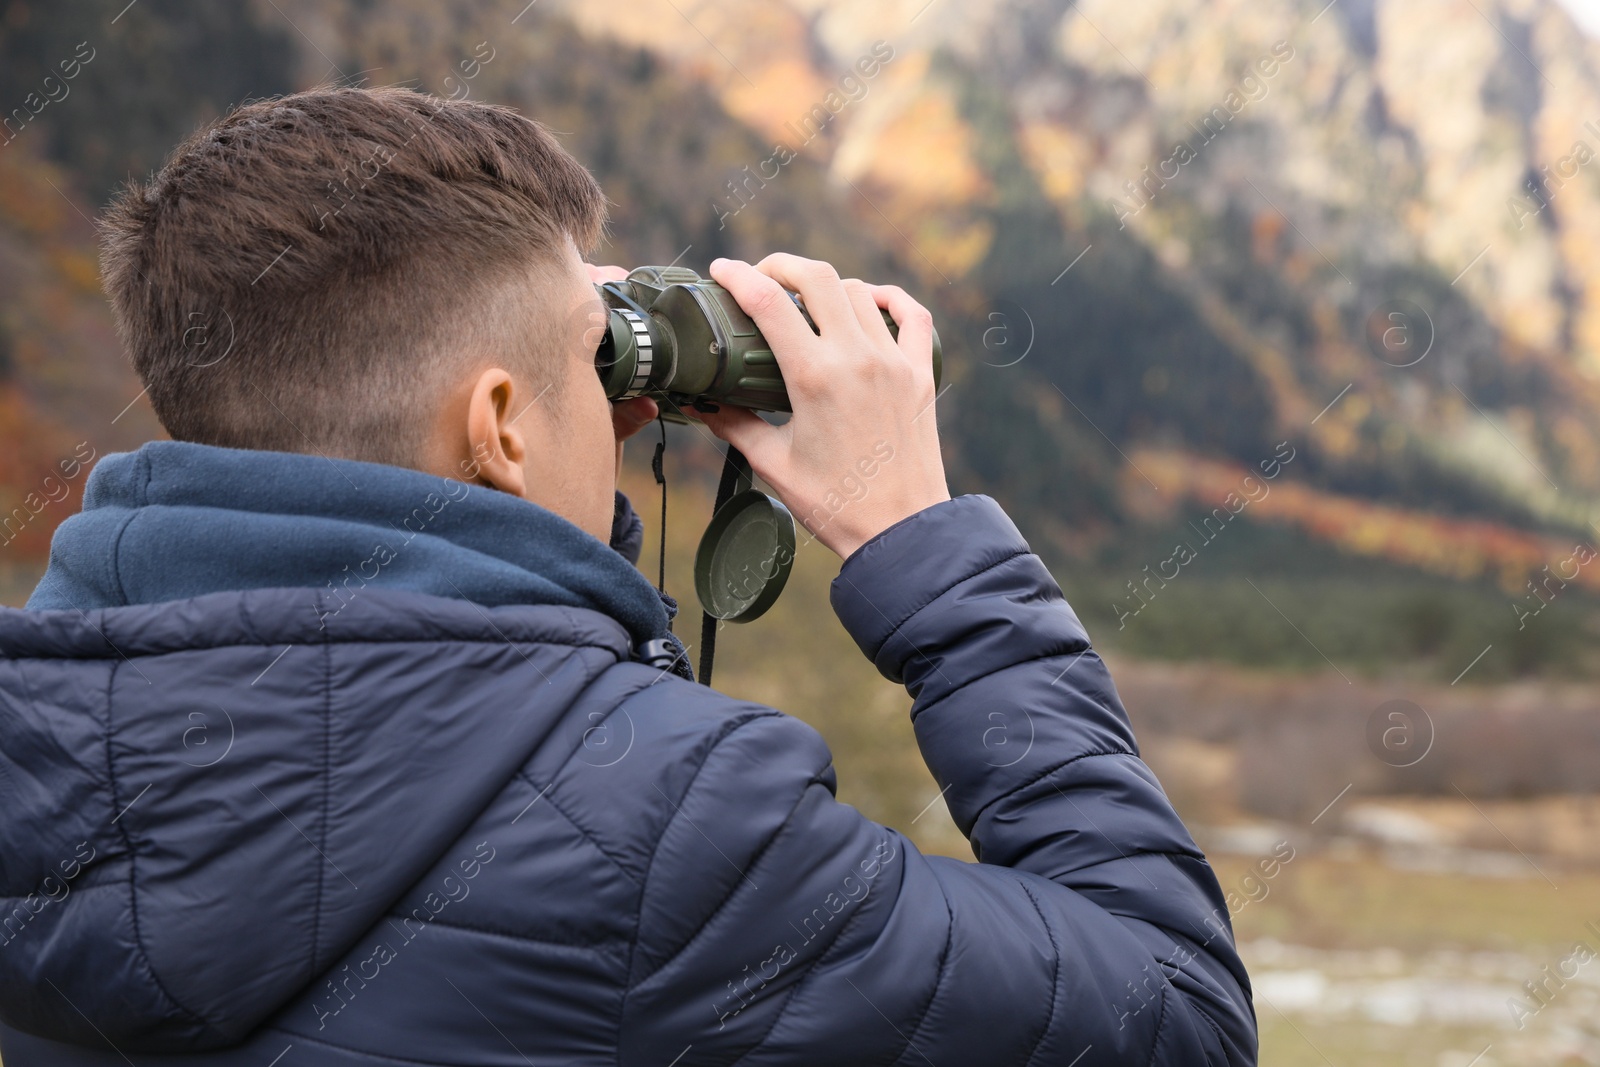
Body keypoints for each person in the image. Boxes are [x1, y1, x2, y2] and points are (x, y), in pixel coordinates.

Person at [0, 86, 1255, 1065]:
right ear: (495, 424)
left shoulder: (38, 739)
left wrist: (550, 426)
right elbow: (1173, 1015)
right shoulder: (669, 831)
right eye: (591, 364)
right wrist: (919, 542)